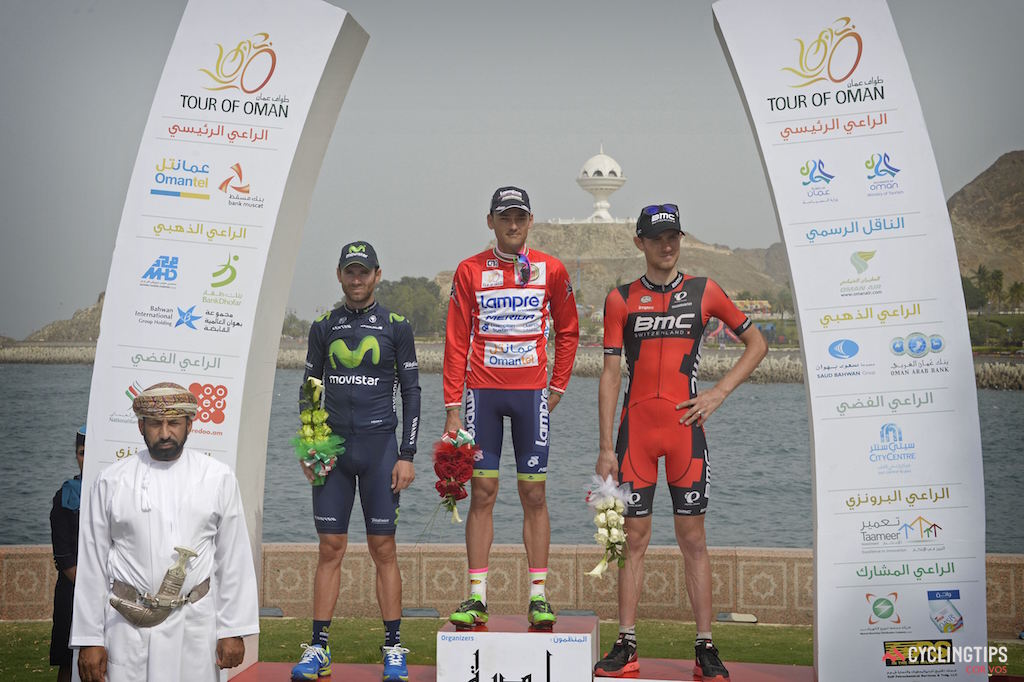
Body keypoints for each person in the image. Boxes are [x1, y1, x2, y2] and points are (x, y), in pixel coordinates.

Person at [594, 204, 767, 680]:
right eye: (656, 238)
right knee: (633, 539)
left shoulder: (704, 290)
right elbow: (611, 374)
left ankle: (705, 646)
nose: (666, 245)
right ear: (640, 244)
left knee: (693, 539)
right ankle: (626, 644)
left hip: (686, 433)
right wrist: (606, 446)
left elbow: (757, 344)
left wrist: (719, 392)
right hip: (636, 437)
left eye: (673, 236)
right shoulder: (620, 298)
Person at [443, 186, 580, 628]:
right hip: (482, 395)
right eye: (505, 217)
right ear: (491, 222)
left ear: (531, 220)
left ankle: (538, 596)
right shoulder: (469, 270)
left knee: (534, 493)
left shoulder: (551, 269)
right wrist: (451, 407)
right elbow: (456, 340)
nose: (513, 225)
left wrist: (556, 386)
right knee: (482, 493)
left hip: (531, 396)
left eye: (520, 217)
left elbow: (569, 330)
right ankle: (476, 597)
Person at [291, 240, 421, 682]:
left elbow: (412, 393)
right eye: (350, 271)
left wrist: (407, 454)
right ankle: (319, 648)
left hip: (382, 448)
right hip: (334, 452)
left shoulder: (397, 326)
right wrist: (311, 448)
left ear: (377, 275)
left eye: (364, 272)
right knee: (330, 548)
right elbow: (310, 389)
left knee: (383, 548)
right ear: (340, 274)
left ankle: (393, 648)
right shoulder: (323, 325)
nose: (357, 279)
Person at [71, 383, 259, 682]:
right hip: (127, 626)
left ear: (190, 425)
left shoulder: (217, 477)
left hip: (195, 626)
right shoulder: (111, 481)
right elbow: (92, 564)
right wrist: (89, 638)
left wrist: (233, 630)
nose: (165, 433)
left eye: (174, 423)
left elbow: (233, 558)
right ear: (141, 426)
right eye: (156, 424)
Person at [49, 425, 85, 682]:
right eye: (82, 452)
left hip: (114, 596)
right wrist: (96, 589)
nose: (86, 458)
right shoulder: (66, 497)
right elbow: (64, 558)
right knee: (69, 663)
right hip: (74, 593)